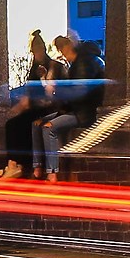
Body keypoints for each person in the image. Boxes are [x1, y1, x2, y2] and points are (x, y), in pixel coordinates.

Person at [35, 31, 109, 180]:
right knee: (35, 124)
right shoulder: (76, 64)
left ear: (70, 47)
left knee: (48, 128)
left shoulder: (83, 63)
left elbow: (78, 93)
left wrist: (58, 90)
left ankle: (52, 172)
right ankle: (37, 166)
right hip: (73, 109)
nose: (62, 54)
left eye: (63, 49)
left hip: (83, 112)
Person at [0, 30, 62, 180]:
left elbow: (51, 93)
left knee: (16, 125)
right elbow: (30, 93)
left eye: (36, 50)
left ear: (42, 49)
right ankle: (13, 164)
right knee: (13, 124)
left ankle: (15, 165)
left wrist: (23, 106)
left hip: (48, 109)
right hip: (37, 108)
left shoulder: (52, 66)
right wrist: (21, 106)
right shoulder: (34, 68)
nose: (34, 53)